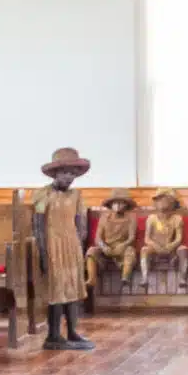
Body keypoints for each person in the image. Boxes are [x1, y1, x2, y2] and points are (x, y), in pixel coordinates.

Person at [34, 147, 94, 350]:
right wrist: (42, 251)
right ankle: (53, 336)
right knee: (57, 289)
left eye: (73, 174)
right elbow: (38, 224)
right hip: (53, 244)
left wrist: (79, 245)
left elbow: (81, 224)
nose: (69, 177)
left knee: (72, 288)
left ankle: (72, 332)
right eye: (65, 173)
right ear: (55, 173)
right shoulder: (43, 194)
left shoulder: (76, 196)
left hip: (71, 245)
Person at [86, 190, 139, 290]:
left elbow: (131, 237)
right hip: (106, 248)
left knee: (130, 251)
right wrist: (103, 246)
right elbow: (98, 237)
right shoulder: (104, 217)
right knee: (91, 251)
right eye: (115, 202)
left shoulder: (131, 218)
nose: (118, 205)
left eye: (121, 202)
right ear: (111, 204)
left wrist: (122, 245)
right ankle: (92, 279)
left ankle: (125, 278)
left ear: (126, 205)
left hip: (121, 248)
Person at [138, 189, 186, 284]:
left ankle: (182, 278)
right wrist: (155, 246)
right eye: (159, 200)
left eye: (165, 199)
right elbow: (147, 239)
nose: (162, 202)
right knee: (144, 250)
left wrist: (171, 246)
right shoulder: (151, 219)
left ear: (172, 203)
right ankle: (144, 278)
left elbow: (178, 238)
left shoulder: (177, 218)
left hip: (171, 248)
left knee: (183, 249)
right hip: (155, 248)